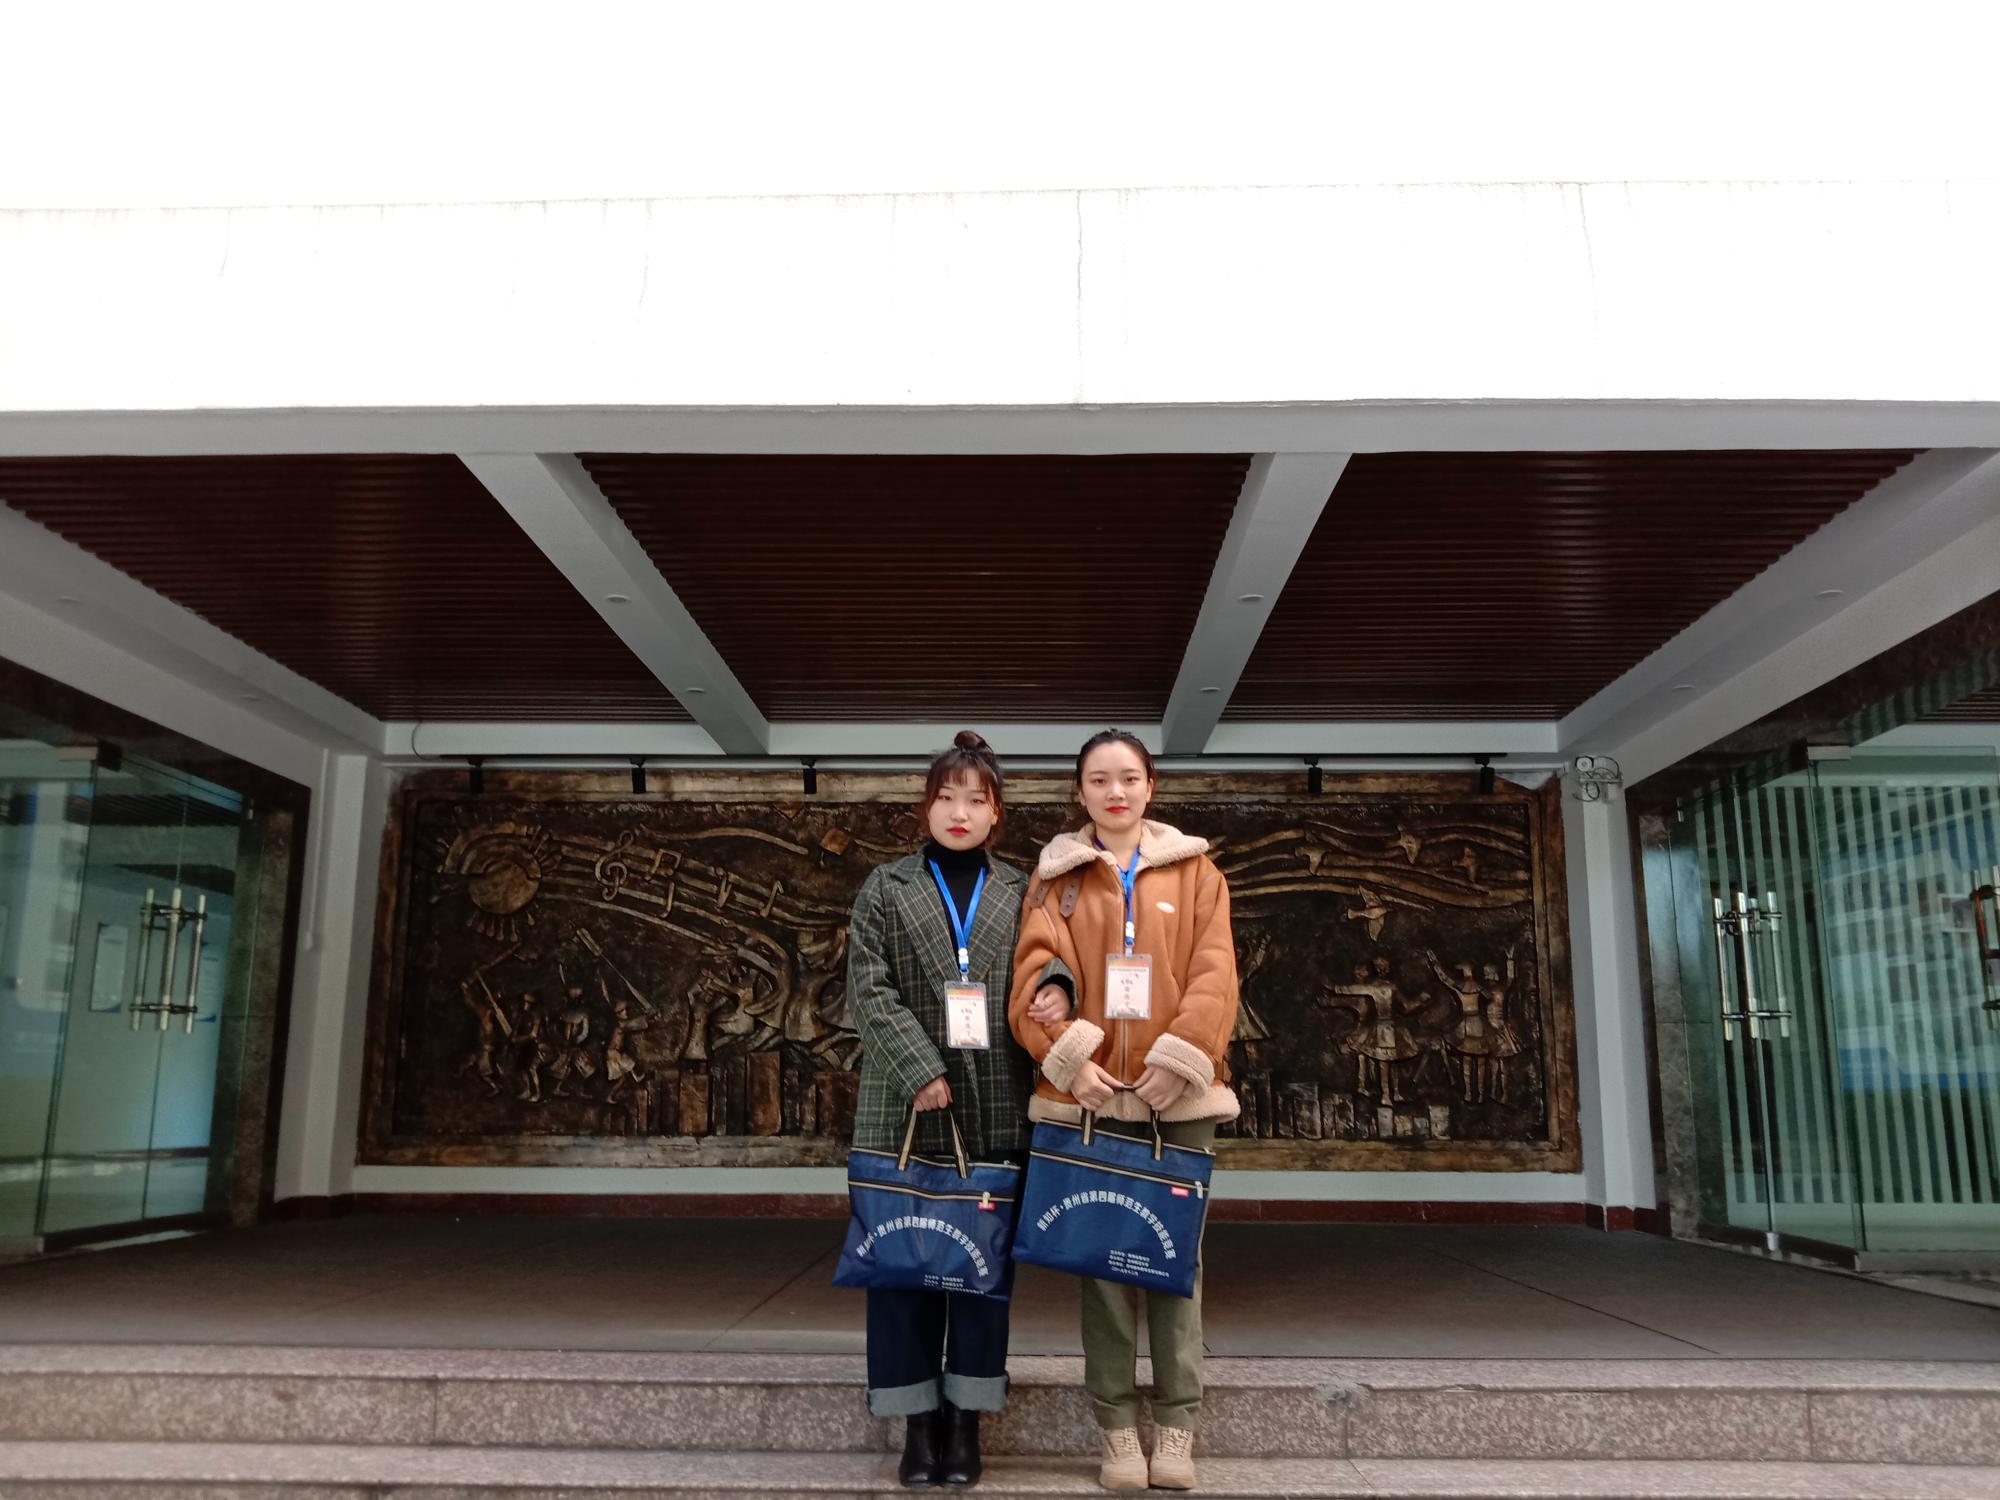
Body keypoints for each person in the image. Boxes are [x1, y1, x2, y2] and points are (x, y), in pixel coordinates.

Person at [1009, 730, 1239, 1493]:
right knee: (1102, 1271)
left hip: (1179, 1101)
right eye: (1099, 779)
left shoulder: (1198, 872)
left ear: (1151, 786)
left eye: (1129, 778)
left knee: (1176, 1267)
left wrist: (1182, 1060)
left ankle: (1177, 1426)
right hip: (1093, 1099)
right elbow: (1033, 979)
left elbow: (1216, 974)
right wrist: (1069, 1058)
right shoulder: (1057, 878)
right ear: (1080, 791)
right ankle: (1115, 1430)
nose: (1115, 791)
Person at [846, 731, 1034, 1487]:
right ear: (925, 807)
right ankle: (916, 1424)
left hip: (996, 1101)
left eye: (976, 799)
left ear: (996, 814)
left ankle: (967, 1422)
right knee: (900, 1269)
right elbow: (868, 987)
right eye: (946, 797)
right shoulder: (885, 887)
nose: (960, 812)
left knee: (981, 1272)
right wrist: (920, 1067)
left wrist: (1058, 989)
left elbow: (1048, 961)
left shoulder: (1022, 889)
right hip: (902, 1105)